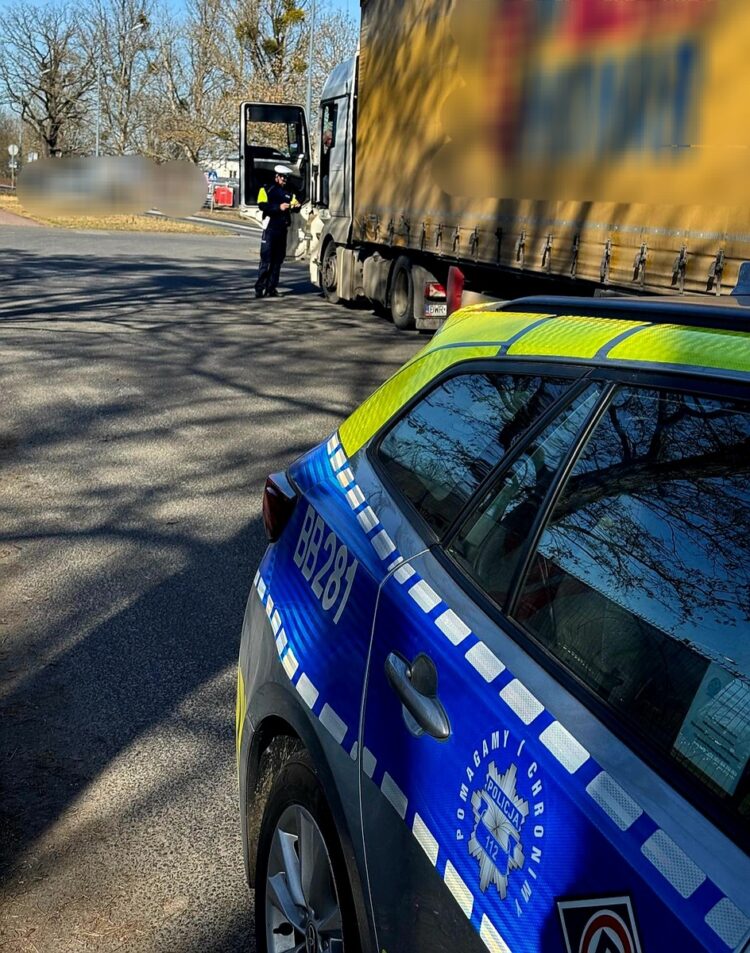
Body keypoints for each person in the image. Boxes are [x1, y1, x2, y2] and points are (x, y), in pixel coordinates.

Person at [254, 164, 300, 299]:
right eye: (283, 178)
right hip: (270, 229)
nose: (285, 180)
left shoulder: (289, 193)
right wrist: (278, 207)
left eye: (286, 178)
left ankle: (271, 288)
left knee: (277, 261)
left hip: (282, 229)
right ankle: (259, 288)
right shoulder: (266, 189)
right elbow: (262, 206)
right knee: (266, 259)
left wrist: (297, 206)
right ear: (277, 177)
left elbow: (296, 205)